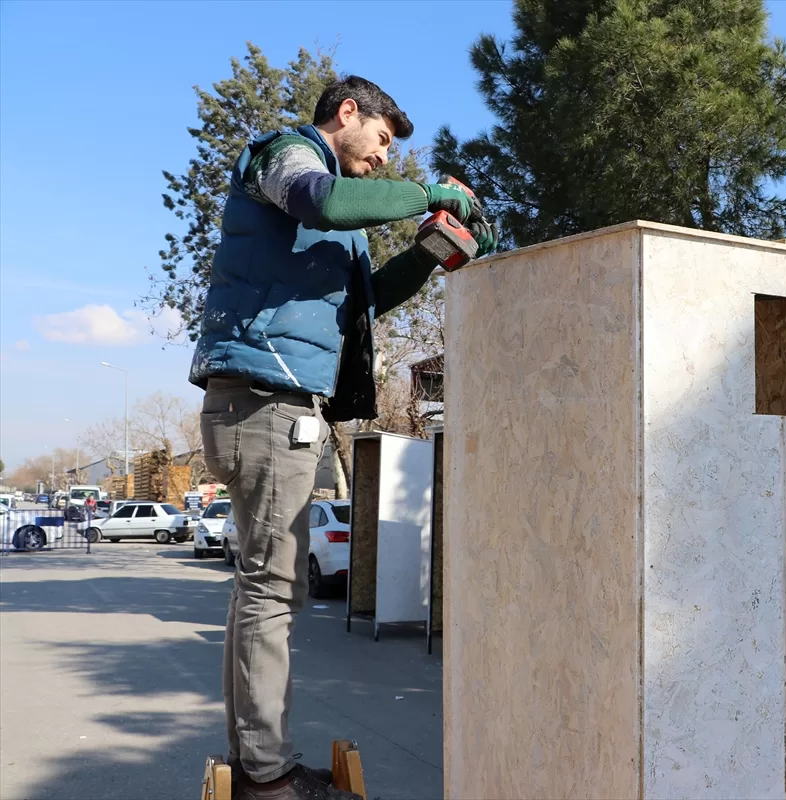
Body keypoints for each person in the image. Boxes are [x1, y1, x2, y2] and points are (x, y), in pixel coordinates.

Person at [190, 75, 496, 800]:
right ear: (347, 114)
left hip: (272, 407)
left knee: (265, 588)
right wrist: (432, 196)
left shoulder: (331, 233)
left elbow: (367, 303)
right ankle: (267, 776)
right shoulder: (289, 157)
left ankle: (257, 758)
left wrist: (429, 253)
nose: (386, 158)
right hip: (266, 404)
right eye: (384, 140)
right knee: (271, 591)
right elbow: (322, 198)